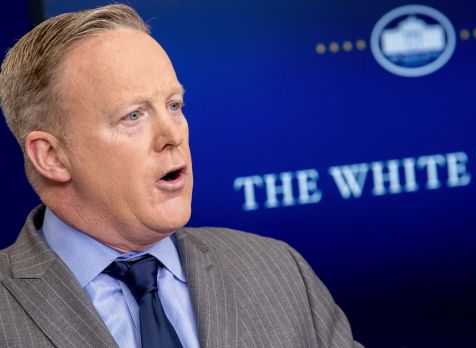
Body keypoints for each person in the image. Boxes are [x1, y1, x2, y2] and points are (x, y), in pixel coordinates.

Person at [0, 4, 361, 348]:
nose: (172, 135)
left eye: (174, 106)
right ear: (52, 157)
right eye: (133, 116)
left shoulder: (278, 270)